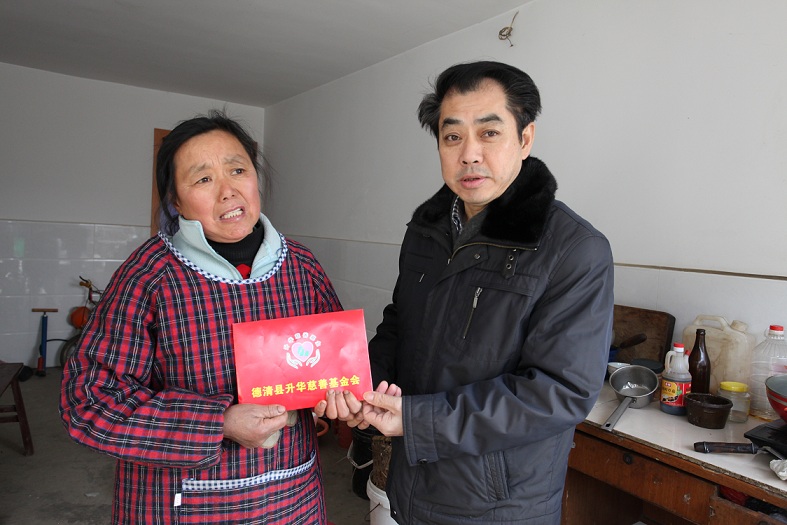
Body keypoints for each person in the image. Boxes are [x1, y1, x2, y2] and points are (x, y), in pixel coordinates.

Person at [357, 61, 615, 524]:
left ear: (525, 138)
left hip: (498, 504)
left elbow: (560, 392)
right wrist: (365, 386)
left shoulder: (574, 248)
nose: (469, 154)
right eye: (452, 136)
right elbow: (399, 324)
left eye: (489, 133)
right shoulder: (426, 230)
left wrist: (416, 421)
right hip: (411, 483)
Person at [60, 111, 343, 524]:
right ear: (175, 201)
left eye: (238, 170)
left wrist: (335, 399)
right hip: (183, 505)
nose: (228, 191)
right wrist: (218, 422)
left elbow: (337, 368)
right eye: (203, 178)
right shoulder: (150, 275)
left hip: (292, 497)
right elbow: (89, 402)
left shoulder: (301, 265)